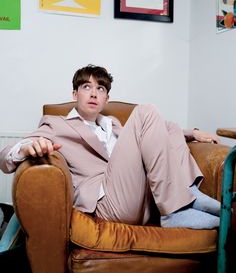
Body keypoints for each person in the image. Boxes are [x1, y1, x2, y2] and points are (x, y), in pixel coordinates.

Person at [0, 64, 220, 229]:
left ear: (106, 99)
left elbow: (157, 135)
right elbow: (5, 157)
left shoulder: (112, 123)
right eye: (87, 87)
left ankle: (187, 193)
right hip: (108, 201)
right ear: (75, 94)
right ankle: (175, 210)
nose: (94, 93)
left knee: (169, 127)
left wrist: (194, 133)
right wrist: (27, 148)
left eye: (101, 88)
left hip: (140, 195)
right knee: (146, 111)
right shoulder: (56, 123)